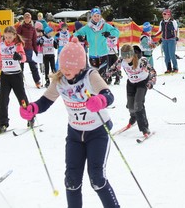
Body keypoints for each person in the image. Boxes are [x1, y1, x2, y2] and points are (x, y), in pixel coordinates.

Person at [19, 37, 120, 208]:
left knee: (97, 178)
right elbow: (45, 101)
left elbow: (108, 95)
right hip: (74, 134)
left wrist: (100, 100)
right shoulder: (60, 80)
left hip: (97, 132)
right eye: (63, 66)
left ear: (80, 65)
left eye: (70, 67)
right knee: (71, 180)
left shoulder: (90, 76)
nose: (65, 70)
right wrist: (32, 108)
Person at [106, 44, 156, 136]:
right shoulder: (122, 60)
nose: (126, 59)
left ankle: (144, 128)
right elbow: (113, 68)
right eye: (124, 56)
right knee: (130, 106)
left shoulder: (142, 61)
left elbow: (153, 72)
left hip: (142, 83)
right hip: (131, 83)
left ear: (132, 54)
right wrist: (105, 75)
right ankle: (133, 118)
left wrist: (151, 82)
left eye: (128, 56)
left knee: (138, 104)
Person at [0, 26, 28, 133]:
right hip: (5, 76)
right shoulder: (1, 45)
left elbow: (24, 58)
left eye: (10, 37)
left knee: (22, 99)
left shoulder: (17, 45)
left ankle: (30, 117)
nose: (7, 39)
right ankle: (2, 123)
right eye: (6, 37)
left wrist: (19, 57)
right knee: (3, 100)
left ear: (14, 36)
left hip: (16, 75)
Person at [74, 7, 120, 78]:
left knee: (102, 76)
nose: (96, 18)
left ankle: (102, 87)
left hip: (103, 54)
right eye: (94, 16)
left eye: (98, 16)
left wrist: (109, 34)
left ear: (100, 16)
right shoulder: (88, 27)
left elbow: (117, 32)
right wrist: (79, 37)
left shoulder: (105, 25)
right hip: (92, 54)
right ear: (91, 16)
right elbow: (76, 34)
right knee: (94, 77)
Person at [16, 12, 41, 88]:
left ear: (30, 19)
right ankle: (20, 82)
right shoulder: (20, 27)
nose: (27, 19)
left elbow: (34, 40)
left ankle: (37, 81)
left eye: (28, 17)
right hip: (22, 49)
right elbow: (17, 38)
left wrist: (36, 50)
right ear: (24, 18)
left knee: (33, 66)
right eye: (26, 17)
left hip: (30, 49)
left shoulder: (32, 28)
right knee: (21, 66)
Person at [153, 9, 178, 73]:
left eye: (165, 14)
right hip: (164, 40)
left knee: (172, 54)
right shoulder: (162, 22)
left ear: (169, 14)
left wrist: (177, 37)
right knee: (166, 55)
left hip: (171, 39)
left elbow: (177, 30)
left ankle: (175, 68)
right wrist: (154, 35)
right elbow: (160, 30)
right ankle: (168, 68)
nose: (163, 16)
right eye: (163, 14)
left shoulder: (173, 21)